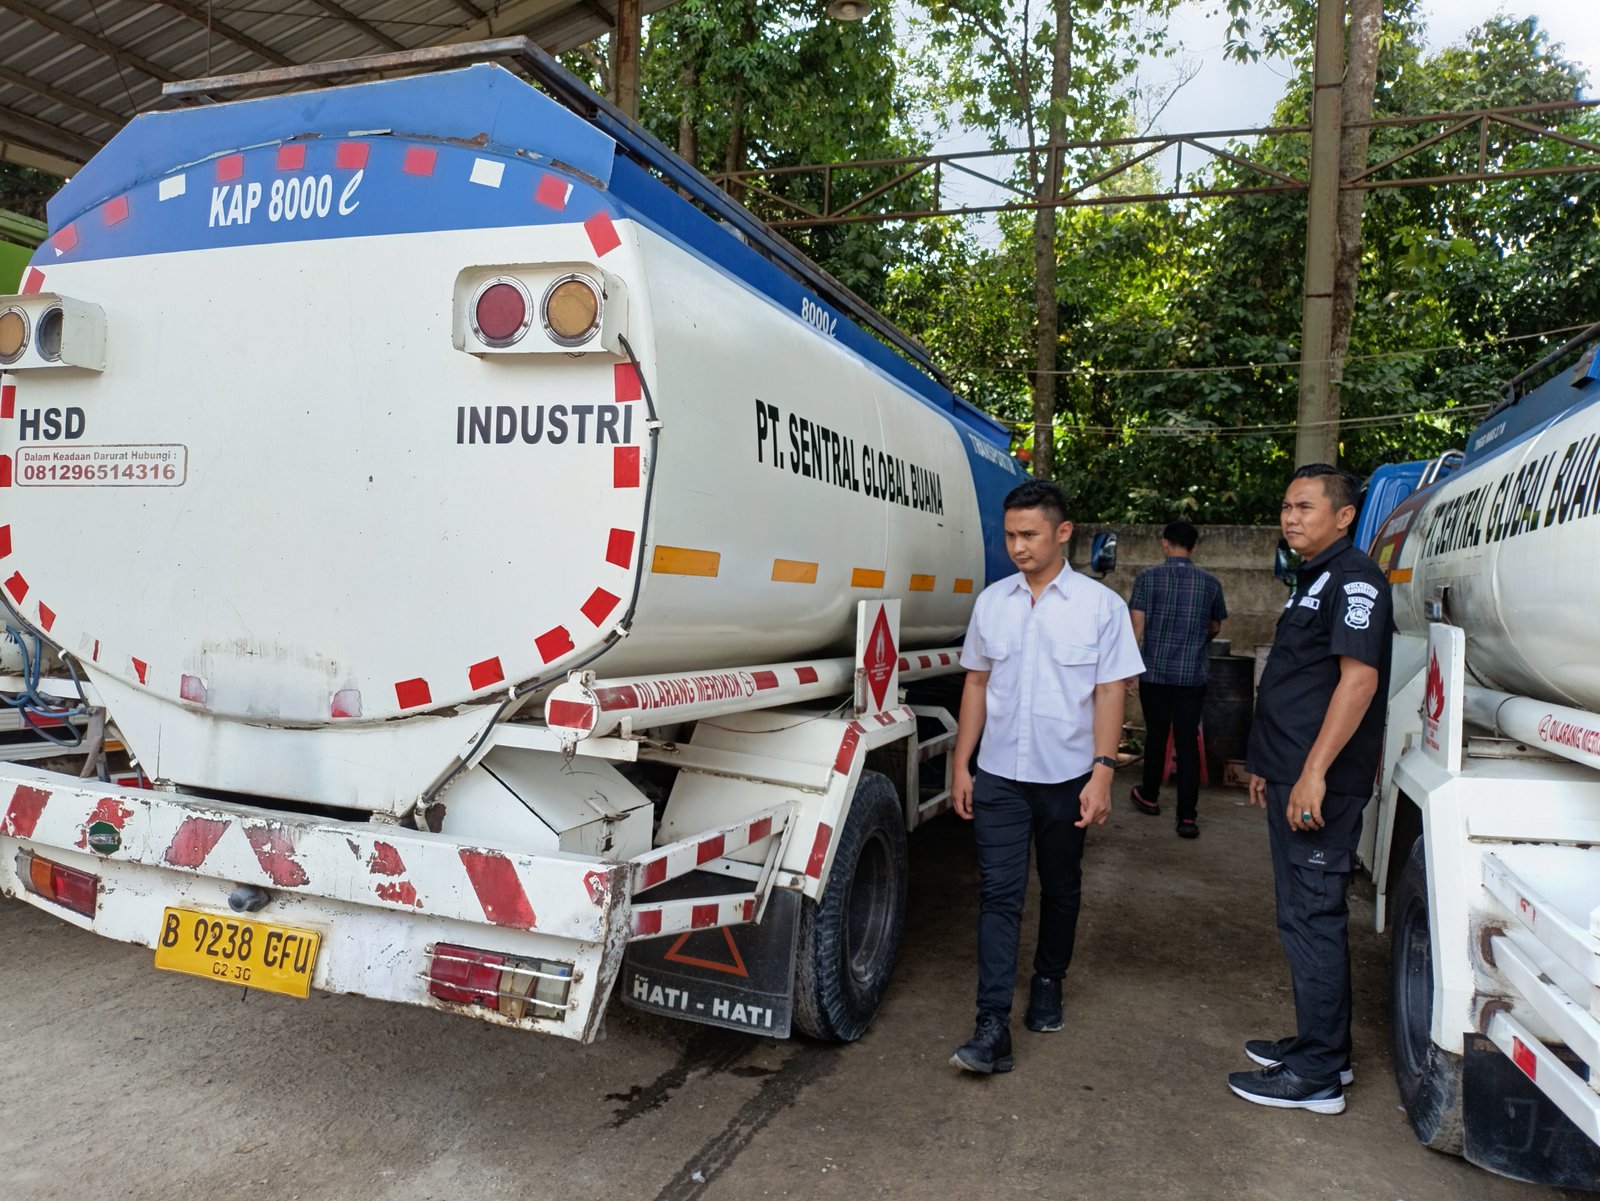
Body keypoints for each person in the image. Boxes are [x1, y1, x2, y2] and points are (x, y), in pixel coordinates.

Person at [949, 480, 1145, 1073]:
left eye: (1029, 534)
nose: (1017, 546)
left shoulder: (1099, 606)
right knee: (999, 895)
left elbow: (1111, 691)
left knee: (1061, 887)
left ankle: (1049, 980)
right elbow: (977, 683)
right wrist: (963, 763)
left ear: (1063, 533)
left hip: (1067, 777)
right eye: (1010, 535)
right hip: (1001, 776)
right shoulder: (993, 602)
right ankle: (991, 1026)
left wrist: (1103, 772)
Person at [1229, 463, 1390, 1115]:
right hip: (1295, 777)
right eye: (1285, 505)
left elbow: (1357, 682)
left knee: (1312, 916)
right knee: (1301, 913)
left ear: (1344, 515)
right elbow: (1300, 684)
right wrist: (1269, 763)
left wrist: (1314, 772)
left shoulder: (1354, 579)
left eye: (1304, 506)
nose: (1290, 516)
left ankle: (1318, 1075)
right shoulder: (1315, 577)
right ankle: (1322, 1048)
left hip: (1321, 788)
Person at [1127, 520, 1227, 838]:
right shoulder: (1210, 584)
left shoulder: (1146, 579)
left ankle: (1150, 797)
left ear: (1165, 543)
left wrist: (1129, 671)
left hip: (1154, 673)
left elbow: (1136, 628)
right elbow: (1215, 627)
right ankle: (1186, 817)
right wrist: (1199, 639)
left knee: (1156, 735)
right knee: (1185, 741)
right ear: (1194, 547)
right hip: (1191, 676)